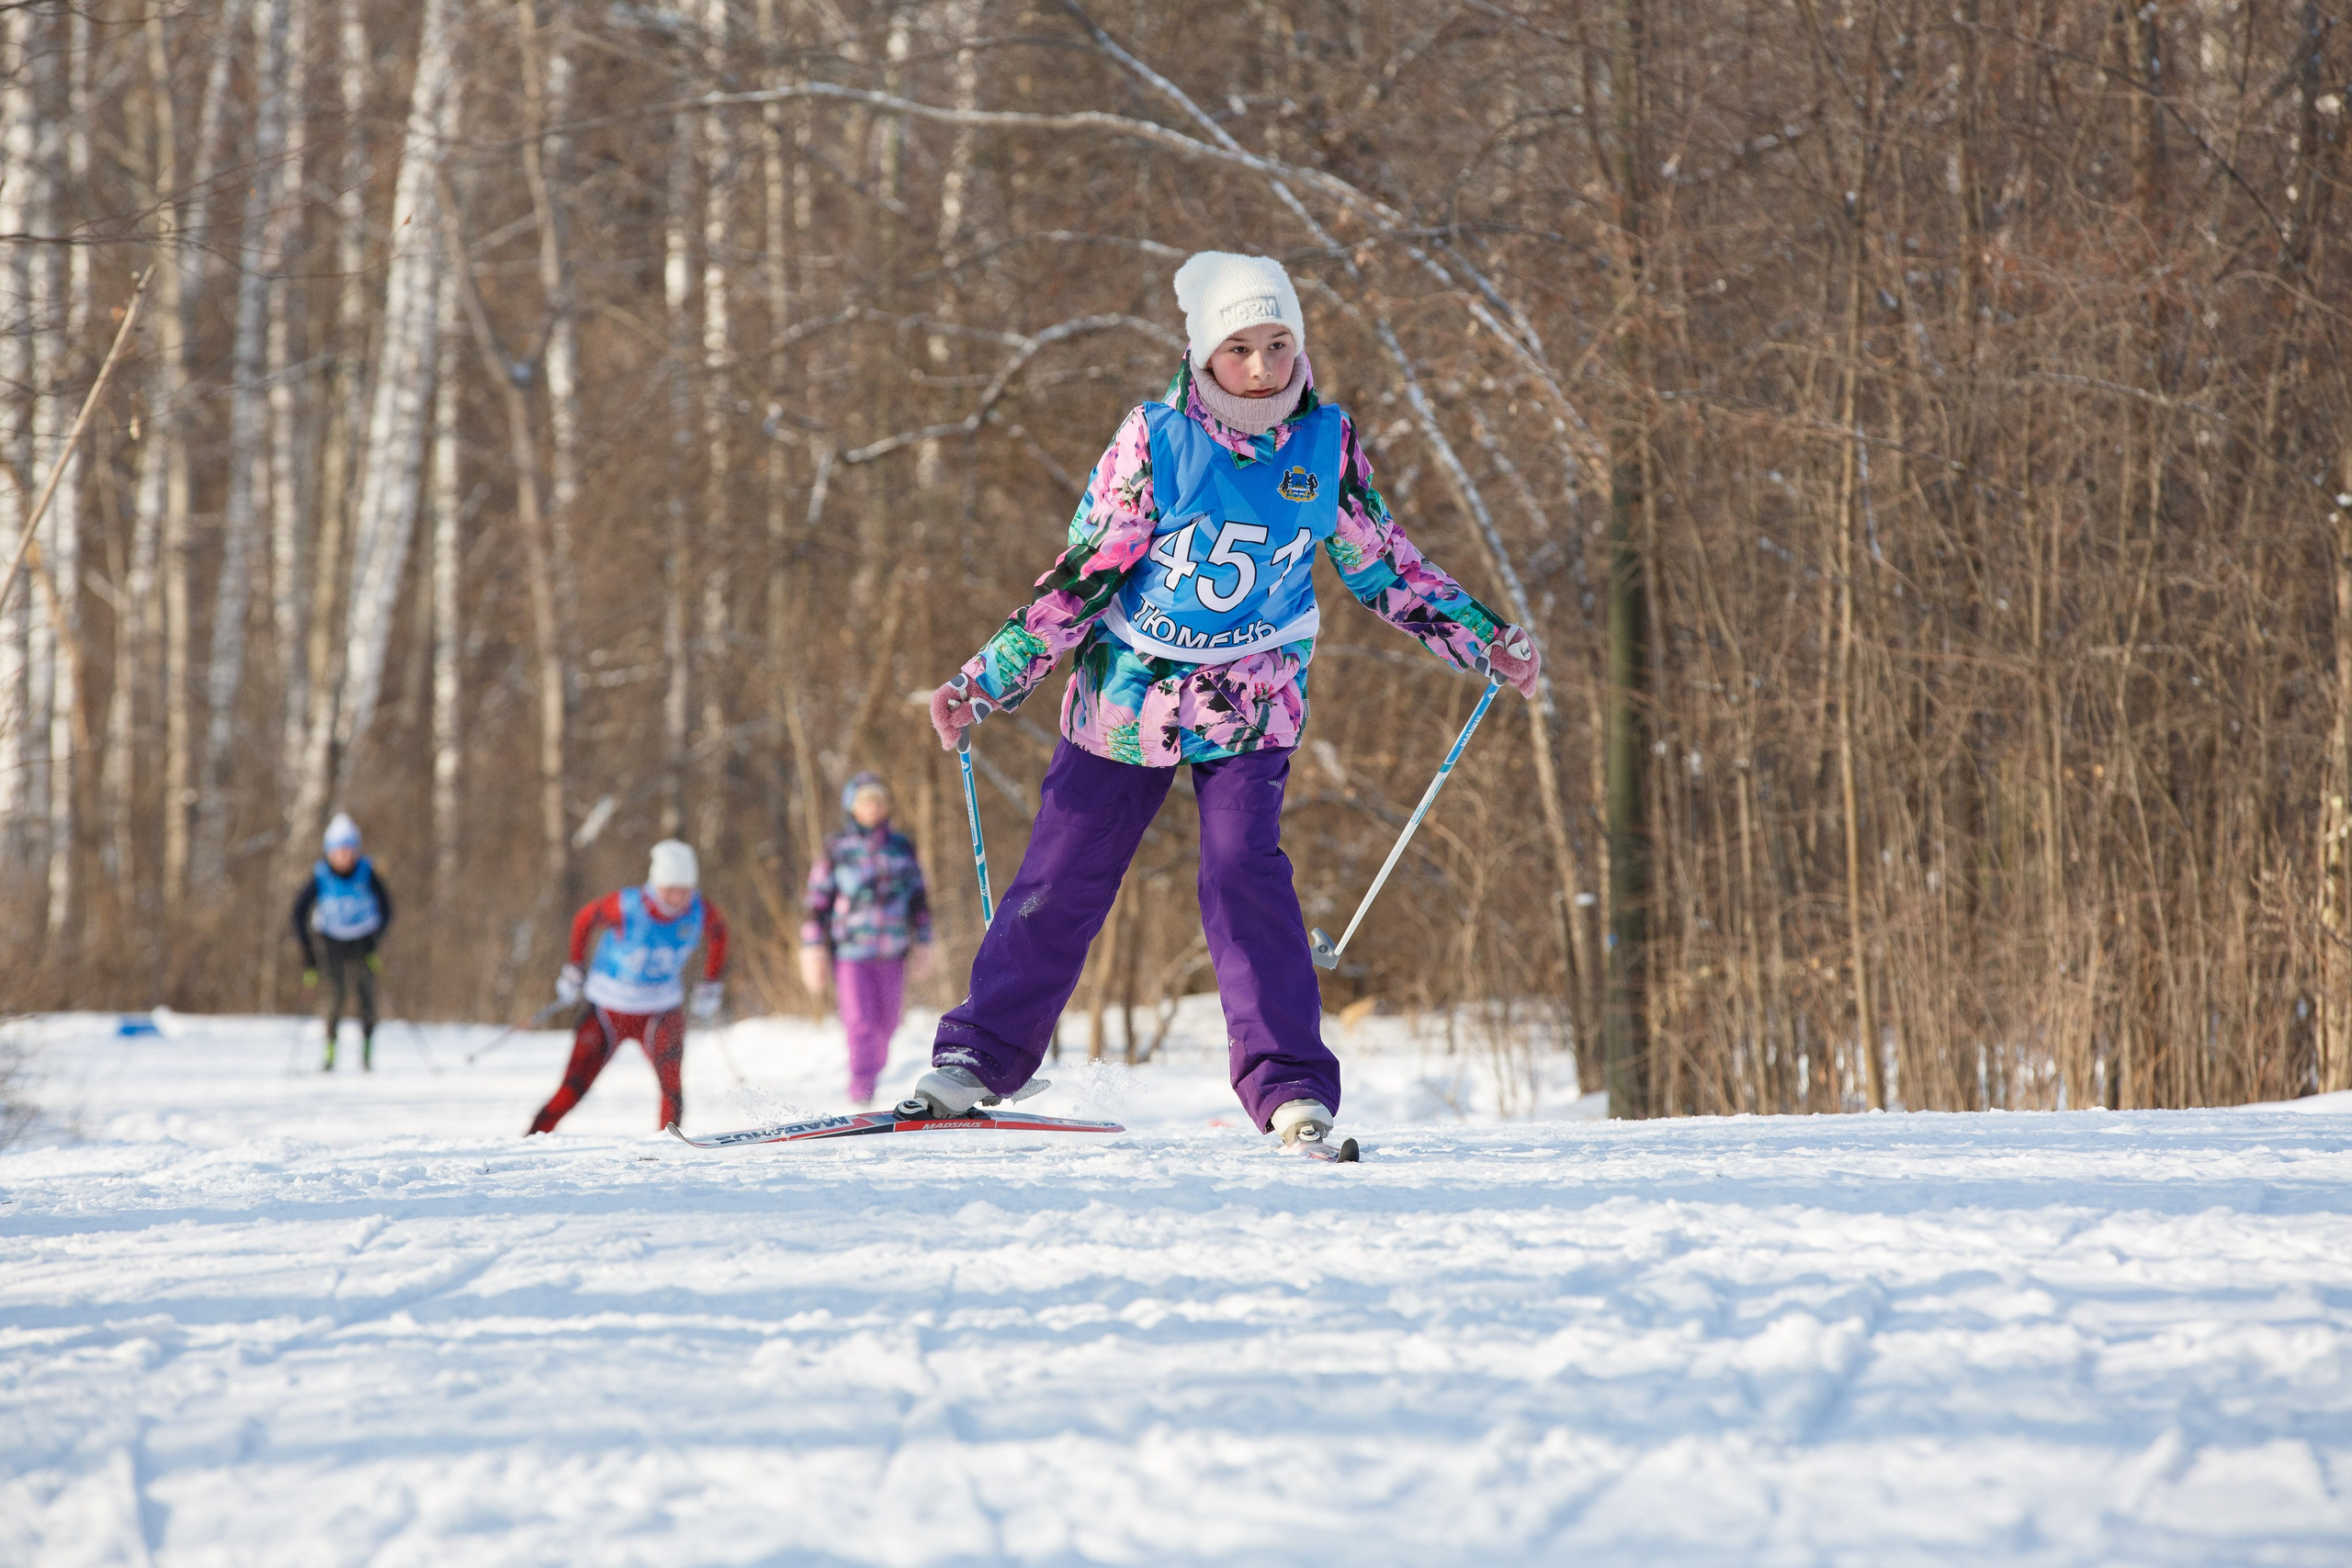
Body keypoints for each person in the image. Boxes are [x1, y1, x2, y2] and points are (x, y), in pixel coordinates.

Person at [918, 251, 1541, 1148]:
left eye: (1277, 344)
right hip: (1128, 694)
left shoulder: (1324, 443)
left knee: (1241, 869)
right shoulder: (1156, 438)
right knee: (1060, 878)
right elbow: (1085, 575)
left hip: (1251, 696)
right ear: (1203, 354)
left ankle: (1288, 1086)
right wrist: (988, 675)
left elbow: (1382, 567)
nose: (1260, 368)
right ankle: (979, 1056)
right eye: (1239, 348)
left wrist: (1483, 636)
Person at [526, 839, 730, 1135]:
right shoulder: (627, 905)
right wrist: (574, 967)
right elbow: (584, 919)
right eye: (669, 889)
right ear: (656, 884)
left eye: (684, 890)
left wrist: (711, 984)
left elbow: (719, 935)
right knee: (572, 1089)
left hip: (660, 1009)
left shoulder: (700, 911)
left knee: (672, 1086)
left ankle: (667, 1147)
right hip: (608, 1007)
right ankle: (529, 1142)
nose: (677, 898)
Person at [799, 772, 937, 1107]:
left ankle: (871, 1075)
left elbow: (918, 898)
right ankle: (861, 1089)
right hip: (851, 953)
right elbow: (817, 902)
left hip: (892, 950)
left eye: (879, 800)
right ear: (853, 807)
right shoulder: (837, 849)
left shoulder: (902, 847)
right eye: (866, 801)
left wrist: (925, 941)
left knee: (888, 1023)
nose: (874, 806)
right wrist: (813, 947)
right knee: (860, 1021)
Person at [290, 812, 394, 1073]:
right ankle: (329, 1054)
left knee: (367, 996)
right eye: (338, 851)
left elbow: (387, 907)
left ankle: (367, 1055)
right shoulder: (321, 875)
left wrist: (376, 937)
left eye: (348, 850)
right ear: (329, 852)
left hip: (362, 938)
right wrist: (308, 949)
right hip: (330, 938)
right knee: (334, 997)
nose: (344, 856)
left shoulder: (366, 872)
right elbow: (298, 913)